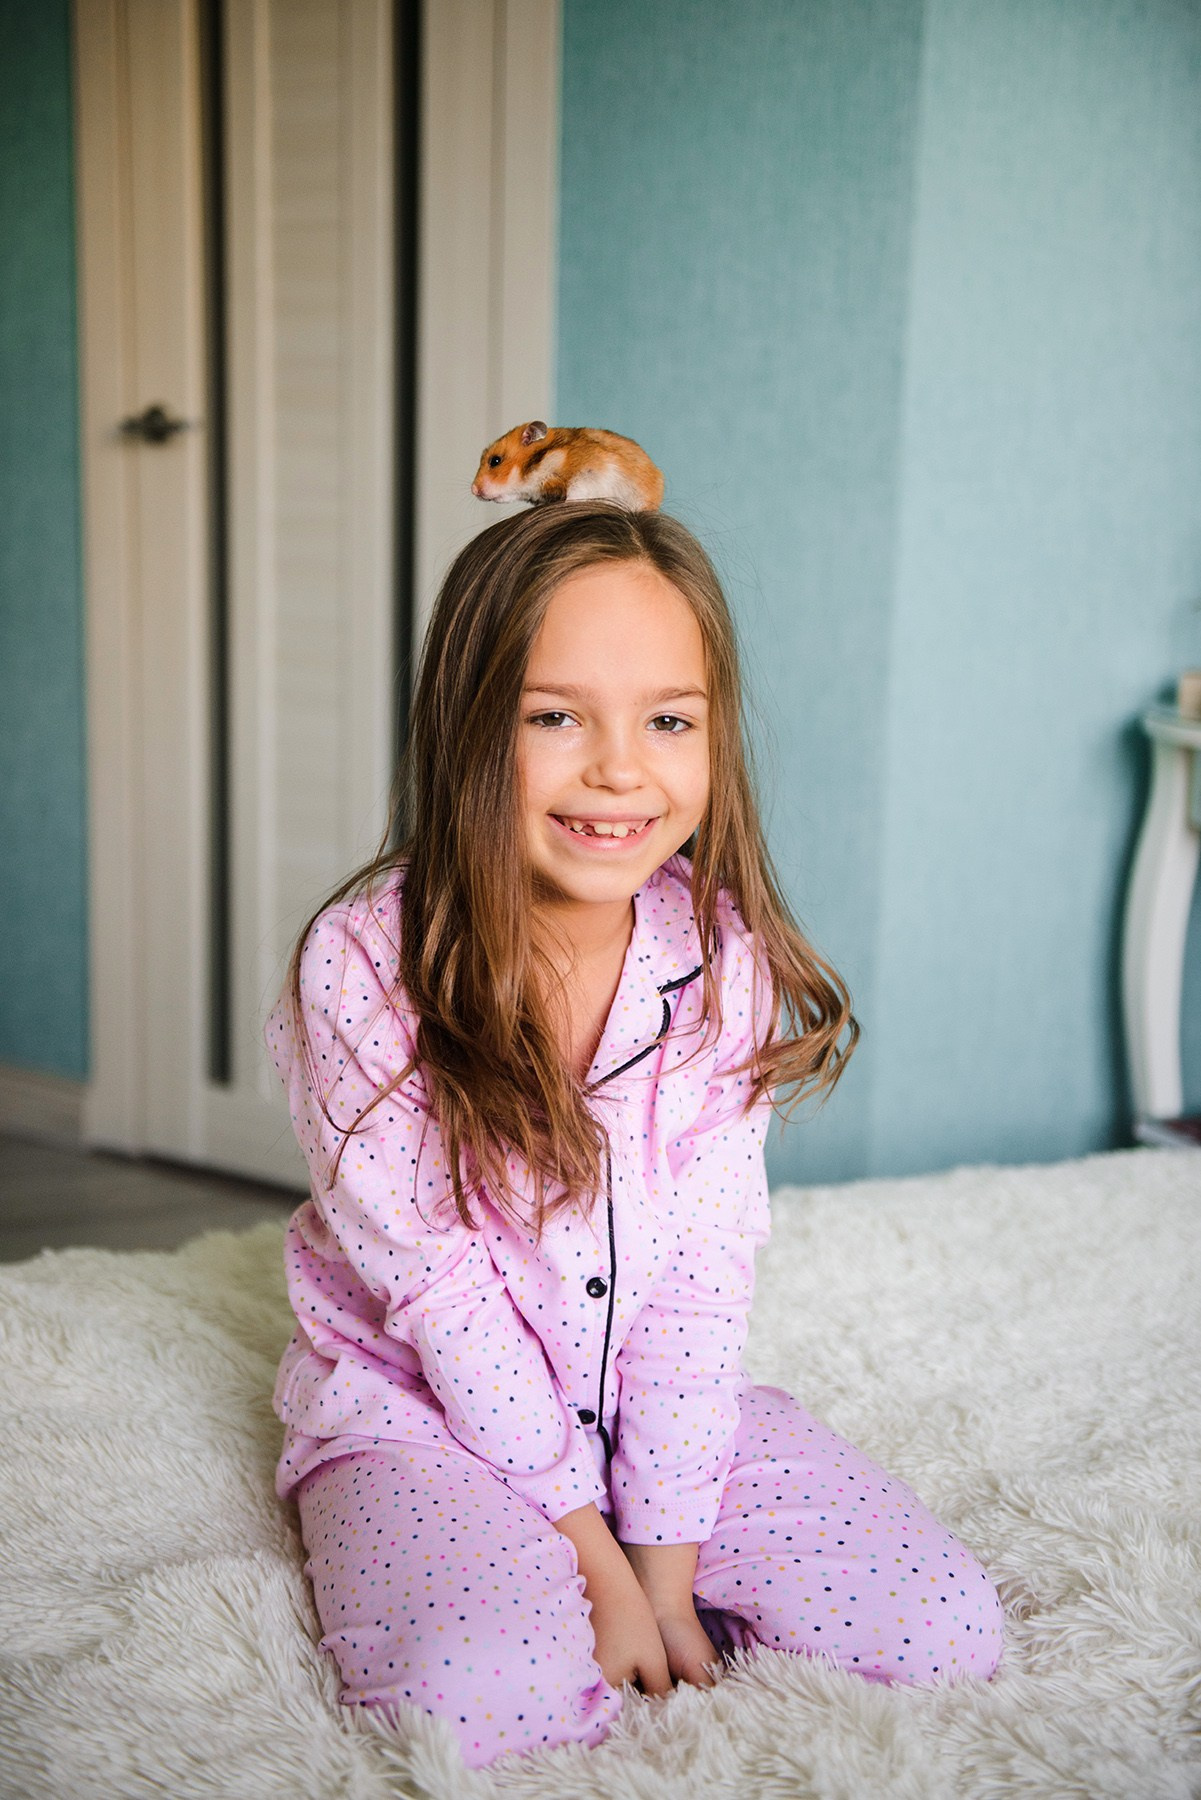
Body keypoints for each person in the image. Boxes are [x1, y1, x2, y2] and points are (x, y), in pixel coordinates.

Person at [266, 502, 1004, 1769]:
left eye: (668, 720)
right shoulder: (364, 965)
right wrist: (593, 1561)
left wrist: (663, 1565)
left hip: (640, 1405)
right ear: (468, 729)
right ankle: (519, 1572)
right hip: (422, 1411)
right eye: (556, 717)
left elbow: (702, 1284)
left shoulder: (720, 961)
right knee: (484, 1701)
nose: (621, 769)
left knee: (942, 1631)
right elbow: (440, 1296)